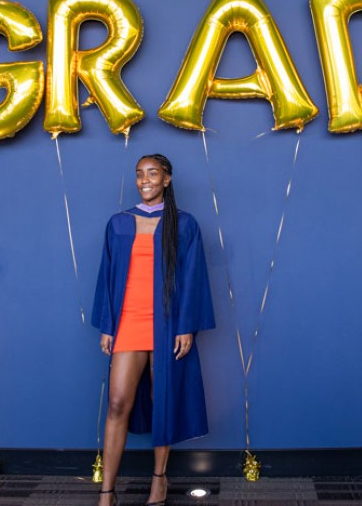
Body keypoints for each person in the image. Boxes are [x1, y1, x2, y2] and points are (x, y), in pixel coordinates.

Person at [92, 154, 215, 506]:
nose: (145, 180)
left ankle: (158, 480)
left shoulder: (184, 224)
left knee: (162, 402)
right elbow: (107, 275)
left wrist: (186, 326)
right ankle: (107, 492)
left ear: (167, 179)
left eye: (153, 173)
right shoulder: (118, 223)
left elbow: (193, 279)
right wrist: (107, 325)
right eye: (139, 174)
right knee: (117, 404)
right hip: (128, 322)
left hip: (166, 323)